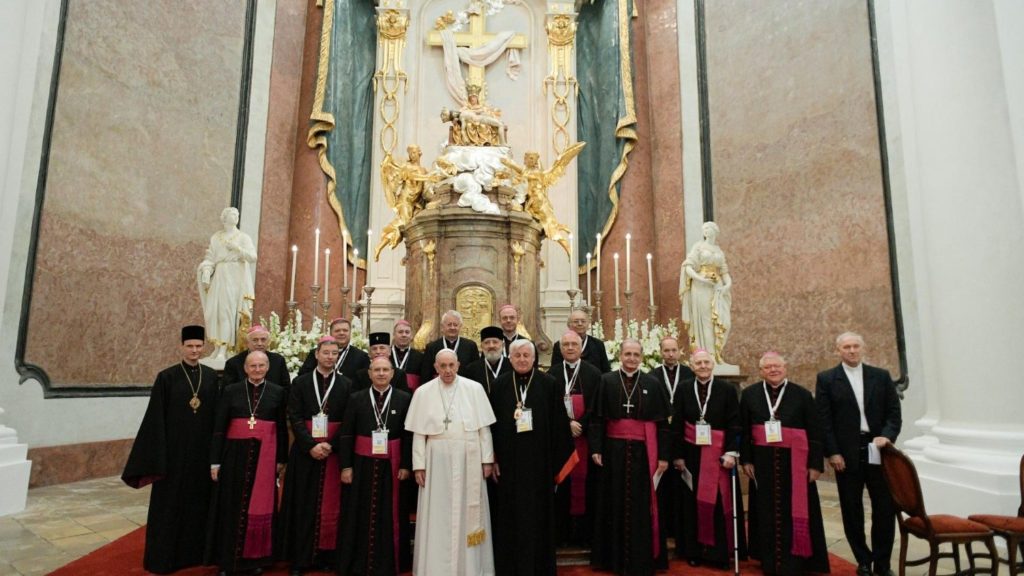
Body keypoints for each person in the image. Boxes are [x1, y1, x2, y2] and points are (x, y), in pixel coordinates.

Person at [122, 325, 219, 574]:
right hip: (173, 456)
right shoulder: (167, 377)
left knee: (198, 505)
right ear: (181, 347)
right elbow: (155, 419)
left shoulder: (211, 377)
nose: (195, 351)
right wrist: (159, 457)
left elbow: (217, 418)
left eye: (199, 346)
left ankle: (194, 554)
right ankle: (164, 558)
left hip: (201, 454)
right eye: (190, 346)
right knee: (169, 507)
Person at [816, 332, 901, 576]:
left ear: (862, 348)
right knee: (852, 509)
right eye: (846, 347)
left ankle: (882, 563)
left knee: (884, 508)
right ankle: (863, 560)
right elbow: (824, 421)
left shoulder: (881, 377)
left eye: (855, 346)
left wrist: (887, 435)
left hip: (879, 449)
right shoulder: (827, 379)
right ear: (838, 350)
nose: (852, 351)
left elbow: (894, 413)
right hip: (846, 453)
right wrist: (832, 452)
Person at [488, 340, 576, 576]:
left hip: (540, 467)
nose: (522, 359)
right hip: (508, 466)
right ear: (510, 358)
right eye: (517, 355)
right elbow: (491, 428)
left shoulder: (549, 384)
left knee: (539, 519)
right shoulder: (499, 385)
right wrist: (493, 458)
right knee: (509, 517)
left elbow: (559, 426)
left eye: (527, 355)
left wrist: (557, 466)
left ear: (535, 358)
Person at [405, 349, 497, 575]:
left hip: (470, 459)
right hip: (436, 461)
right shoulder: (423, 392)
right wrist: (419, 465)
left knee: (470, 513)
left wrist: (487, 460)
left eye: (451, 365)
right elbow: (418, 434)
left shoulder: (474, 389)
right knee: (438, 514)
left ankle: (472, 569)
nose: (447, 370)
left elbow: (484, 429)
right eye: (442, 366)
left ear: (458, 365)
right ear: (435, 367)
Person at [741, 352, 830, 575]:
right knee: (765, 510)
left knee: (798, 508)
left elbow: (815, 431)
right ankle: (768, 558)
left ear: (785, 368)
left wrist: (815, 464)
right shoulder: (750, 394)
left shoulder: (802, 395)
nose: (773, 370)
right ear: (761, 371)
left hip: (796, 465)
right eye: (768, 367)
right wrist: (746, 459)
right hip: (762, 464)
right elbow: (743, 431)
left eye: (777, 366)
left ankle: (800, 560)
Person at [589, 340, 672, 576]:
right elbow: (596, 419)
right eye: (628, 354)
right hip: (612, 452)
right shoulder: (606, 381)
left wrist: (664, 457)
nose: (632, 358)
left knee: (641, 506)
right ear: (620, 355)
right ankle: (610, 559)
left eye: (636, 354)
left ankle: (641, 559)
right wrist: (595, 448)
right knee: (612, 502)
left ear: (642, 357)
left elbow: (663, 425)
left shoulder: (652, 383)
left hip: (644, 454)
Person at [206, 351, 289, 576]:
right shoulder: (231, 391)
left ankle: (255, 560)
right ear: (245, 368)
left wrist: (282, 459)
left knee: (261, 506)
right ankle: (227, 561)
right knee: (231, 507)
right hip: (233, 457)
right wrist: (215, 461)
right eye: (253, 366)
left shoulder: (277, 392)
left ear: (268, 367)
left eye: (261, 366)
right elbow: (219, 427)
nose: (257, 370)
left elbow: (281, 428)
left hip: (266, 456)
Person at [280, 337, 352, 575]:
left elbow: (349, 420)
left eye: (334, 353)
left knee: (332, 505)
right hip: (305, 452)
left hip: (333, 454)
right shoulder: (300, 383)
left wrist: (330, 445)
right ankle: (300, 559)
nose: (330, 356)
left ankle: (327, 556)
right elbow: (295, 416)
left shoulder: (346, 384)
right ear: (317, 354)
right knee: (304, 503)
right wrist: (310, 445)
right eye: (326, 353)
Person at [338, 356, 413, 576]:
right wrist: (346, 467)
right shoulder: (356, 398)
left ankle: (390, 562)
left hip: (393, 466)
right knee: (359, 512)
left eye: (385, 370)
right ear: (369, 373)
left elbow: (409, 435)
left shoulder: (404, 399)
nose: (381, 373)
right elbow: (347, 434)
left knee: (391, 513)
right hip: (361, 466)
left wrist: (407, 465)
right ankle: (358, 562)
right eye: (376, 370)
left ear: (392, 373)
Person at [671, 348, 746, 568]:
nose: (702, 366)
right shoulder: (684, 389)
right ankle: (695, 551)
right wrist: (678, 456)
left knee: (719, 503)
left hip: (719, 456)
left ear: (712, 365)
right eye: (698, 363)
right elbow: (676, 424)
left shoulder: (727, 389)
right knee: (692, 504)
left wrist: (732, 452)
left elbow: (735, 423)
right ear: (691, 366)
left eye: (706, 362)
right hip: (692, 455)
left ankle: (719, 554)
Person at [549, 330, 603, 547]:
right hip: (562, 441)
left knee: (586, 486)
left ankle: (584, 536)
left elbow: (597, 407)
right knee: (562, 486)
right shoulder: (551, 374)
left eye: (574, 344)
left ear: (581, 348)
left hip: (586, 439)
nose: (570, 348)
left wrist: (581, 425)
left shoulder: (594, 374)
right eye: (566, 344)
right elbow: (550, 408)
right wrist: (567, 424)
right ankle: (562, 535)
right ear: (560, 349)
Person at [652, 336, 695, 560]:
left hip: (683, 436)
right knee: (663, 484)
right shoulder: (652, 376)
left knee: (682, 485)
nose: (670, 354)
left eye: (674, 350)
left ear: (680, 351)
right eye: (666, 350)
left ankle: (681, 531)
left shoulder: (690, 374)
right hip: (661, 434)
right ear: (660, 352)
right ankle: (665, 527)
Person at [197, 207, 257, 360]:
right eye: (232, 214)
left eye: (237, 214)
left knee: (228, 312)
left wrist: (237, 249)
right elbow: (210, 258)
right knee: (215, 312)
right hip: (220, 276)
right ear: (224, 217)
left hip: (235, 278)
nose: (236, 216)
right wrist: (206, 269)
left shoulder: (242, 237)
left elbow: (252, 257)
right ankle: (217, 347)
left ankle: (225, 348)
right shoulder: (216, 238)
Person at [679, 221, 733, 365]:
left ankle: (717, 354)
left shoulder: (719, 250)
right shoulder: (698, 247)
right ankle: (708, 357)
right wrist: (699, 278)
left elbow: (724, 272)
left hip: (717, 287)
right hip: (701, 287)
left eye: (709, 229)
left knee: (724, 322)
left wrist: (727, 285)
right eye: (704, 229)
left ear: (715, 231)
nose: (706, 231)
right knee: (706, 321)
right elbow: (688, 267)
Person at [223, 324, 291, 391]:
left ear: (268, 342)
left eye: (263, 340)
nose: (259, 344)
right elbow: (228, 391)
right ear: (247, 343)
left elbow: (286, 388)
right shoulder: (234, 363)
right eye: (255, 340)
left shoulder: (278, 360)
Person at [298, 317, 370, 378]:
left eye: (345, 330)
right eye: (337, 331)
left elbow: (365, 384)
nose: (341, 333)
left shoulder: (361, 356)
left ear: (350, 333)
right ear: (331, 333)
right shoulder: (316, 353)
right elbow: (303, 377)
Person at [421, 310, 480, 382]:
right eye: (449, 324)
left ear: (460, 327)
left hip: (464, 389)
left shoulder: (471, 346)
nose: (452, 327)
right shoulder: (432, 347)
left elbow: (476, 372)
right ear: (442, 327)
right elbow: (426, 375)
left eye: (455, 325)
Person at [550, 309, 611, 373]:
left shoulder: (598, 344)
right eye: (576, 321)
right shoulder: (560, 344)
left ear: (588, 324)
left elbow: (605, 370)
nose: (580, 324)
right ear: (569, 325)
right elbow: (555, 370)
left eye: (583, 321)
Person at [460, 326, 511, 395]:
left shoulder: (512, 366)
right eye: (487, 342)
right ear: (481, 346)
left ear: (503, 345)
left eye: (495, 342)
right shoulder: (471, 370)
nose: (491, 346)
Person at [391, 319, 424, 391]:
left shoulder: (420, 357)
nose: (404, 335)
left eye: (407, 332)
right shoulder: (386, 354)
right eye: (400, 332)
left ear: (411, 336)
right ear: (394, 334)